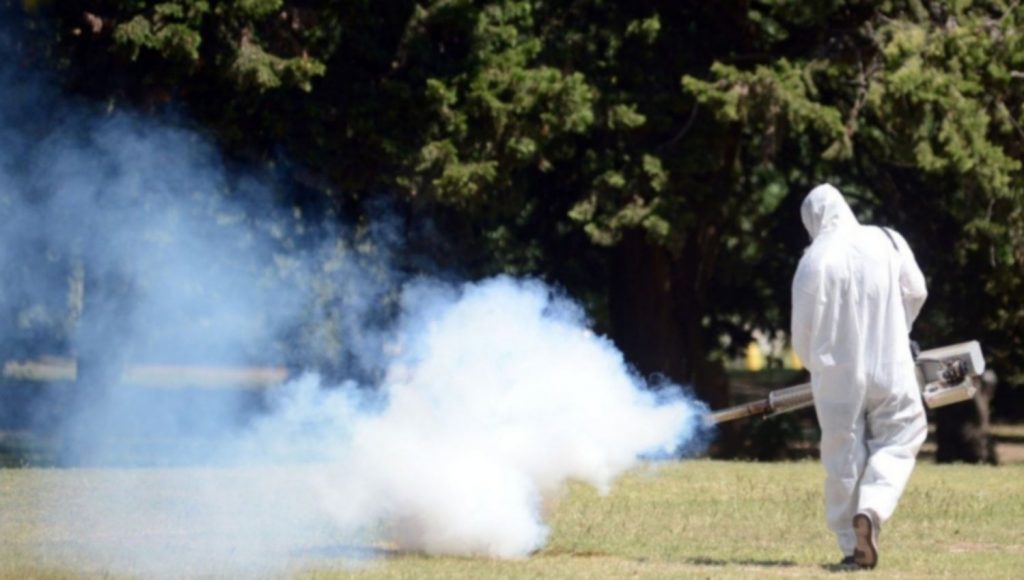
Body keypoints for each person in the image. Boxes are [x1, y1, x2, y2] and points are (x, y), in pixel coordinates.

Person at [790, 184, 928, 570]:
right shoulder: (888, 239)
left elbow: (802, 332)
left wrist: (817, 367)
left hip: (838, 373)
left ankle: (852, 546)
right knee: (902, 435)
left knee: (843, 454)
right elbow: (917, 290)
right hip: (891, 362)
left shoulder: (813, 260)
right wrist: (899, 329)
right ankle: (873, 507)